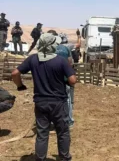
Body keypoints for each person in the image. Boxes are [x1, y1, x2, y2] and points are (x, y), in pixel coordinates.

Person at [11, 33, 77, 161]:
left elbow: (15, 73)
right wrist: (67, 82)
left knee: (42, 133)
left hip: (40, 102)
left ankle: (40, 158)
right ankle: (64, 158)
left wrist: (20, 85)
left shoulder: (33, 59)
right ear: (53, 45)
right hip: (58, 102)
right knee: (63, 132)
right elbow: (73, 80)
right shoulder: (60, 60)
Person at [49, 30, 75, 129]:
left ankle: (53, 122)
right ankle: (69, 121)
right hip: (65, 79)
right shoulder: (65, 48)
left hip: (52, 81)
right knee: (67, 100)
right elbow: (70, 63)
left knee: (52, 100)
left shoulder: (48, 50)